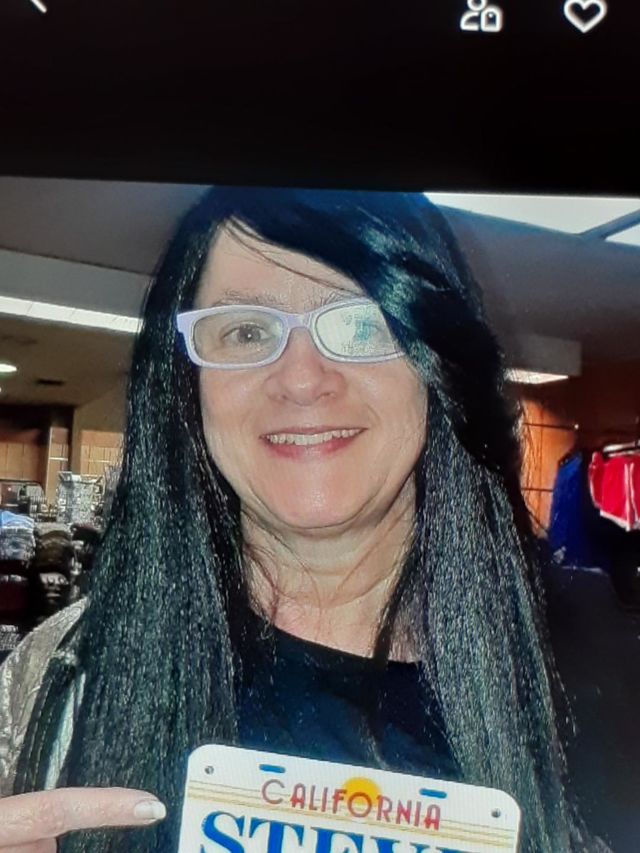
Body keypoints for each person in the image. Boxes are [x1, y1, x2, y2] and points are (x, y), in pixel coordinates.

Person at [0, 188, 611, 853]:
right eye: (246, 331)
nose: (301, 379)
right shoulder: (64, 674)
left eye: (360, 325)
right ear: (186, 384)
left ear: (436, 365)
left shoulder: (601, 676)